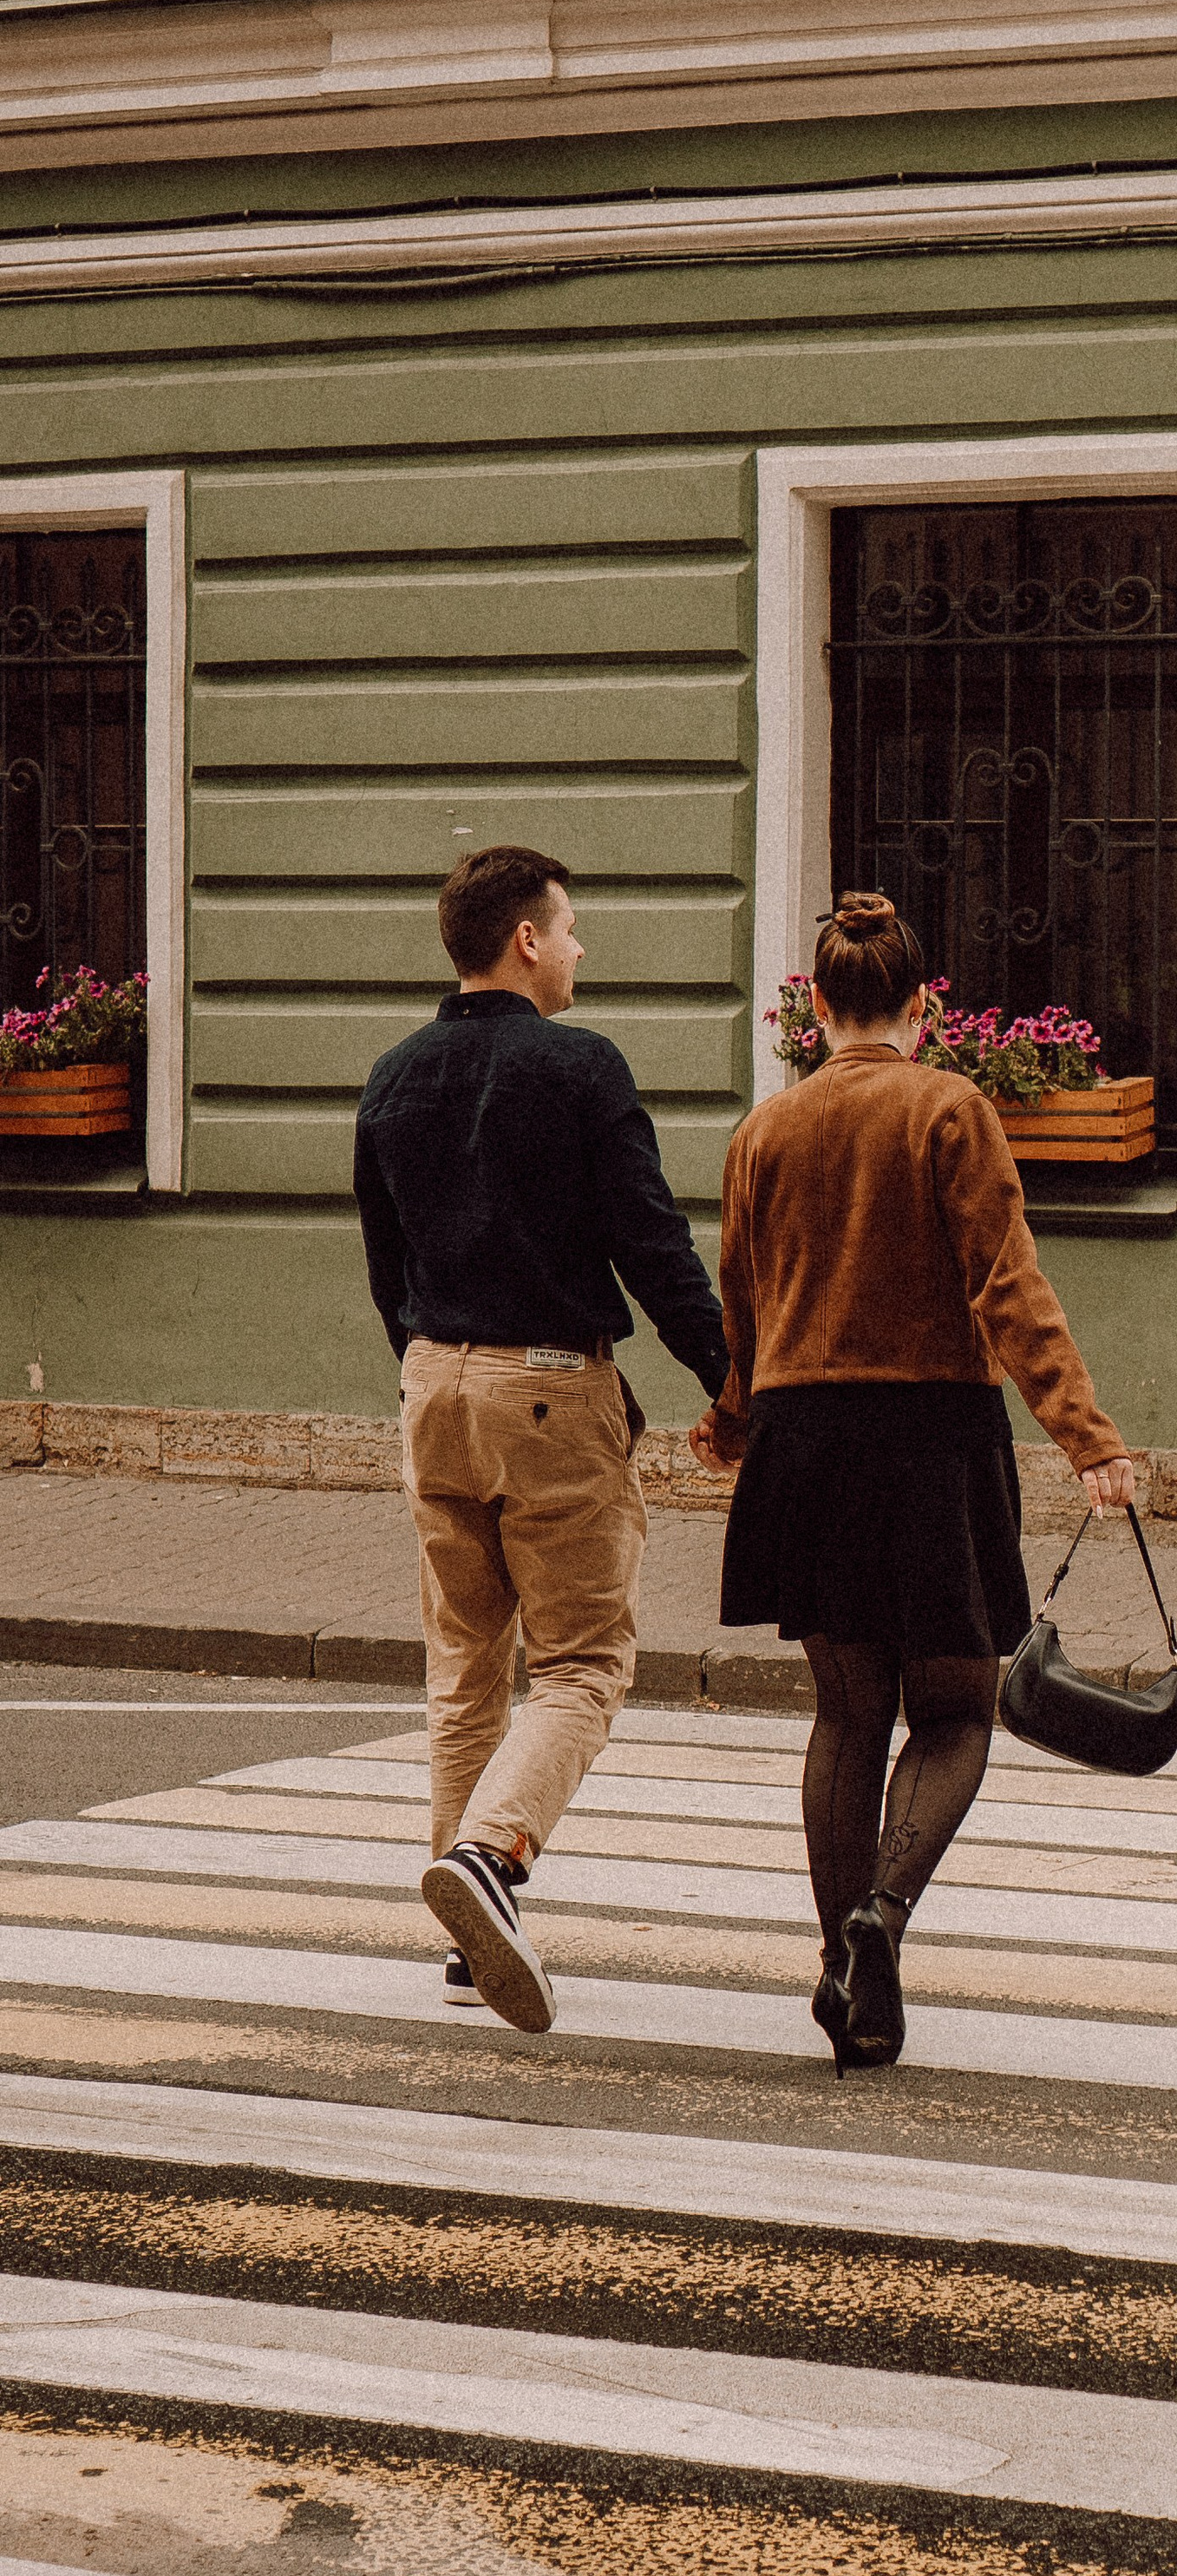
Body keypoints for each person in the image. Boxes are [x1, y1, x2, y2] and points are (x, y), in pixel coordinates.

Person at [694, 892, 1135, 2071]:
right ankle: (881, 1916)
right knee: (950, 1709)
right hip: (933, 1437)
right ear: (923, 1007)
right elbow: (1007, 1284)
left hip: (806, 1440)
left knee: (847, 1711)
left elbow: (743, 1297)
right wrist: (1087, 1437)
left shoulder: (764, 1131)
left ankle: (845, 1976)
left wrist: (735, 1420)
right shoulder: (953, 1108)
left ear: (819, 1010)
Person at [354, 844, 729, 2035]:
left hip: (431, 1385)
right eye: (569, 930)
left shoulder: (392, 1076)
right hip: (551, 1392)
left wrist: (429, 1366)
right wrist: (737, 1384)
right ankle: (491, 1861)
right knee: (580, 1665)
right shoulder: (578, 1068)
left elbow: (385, 1262)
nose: (578, 950)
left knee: (466, 1667)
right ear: (524, 939)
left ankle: (467, 1945)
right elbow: (652, 1245)